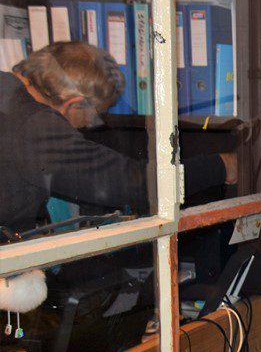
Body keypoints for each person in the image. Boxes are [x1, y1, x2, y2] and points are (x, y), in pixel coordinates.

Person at [0, 41, 235, 238]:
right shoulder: (35, 126)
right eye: (91, 116)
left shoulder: (6, 88)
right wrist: (222, 166)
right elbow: (137, 187)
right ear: (74, 104)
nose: (86, 127)